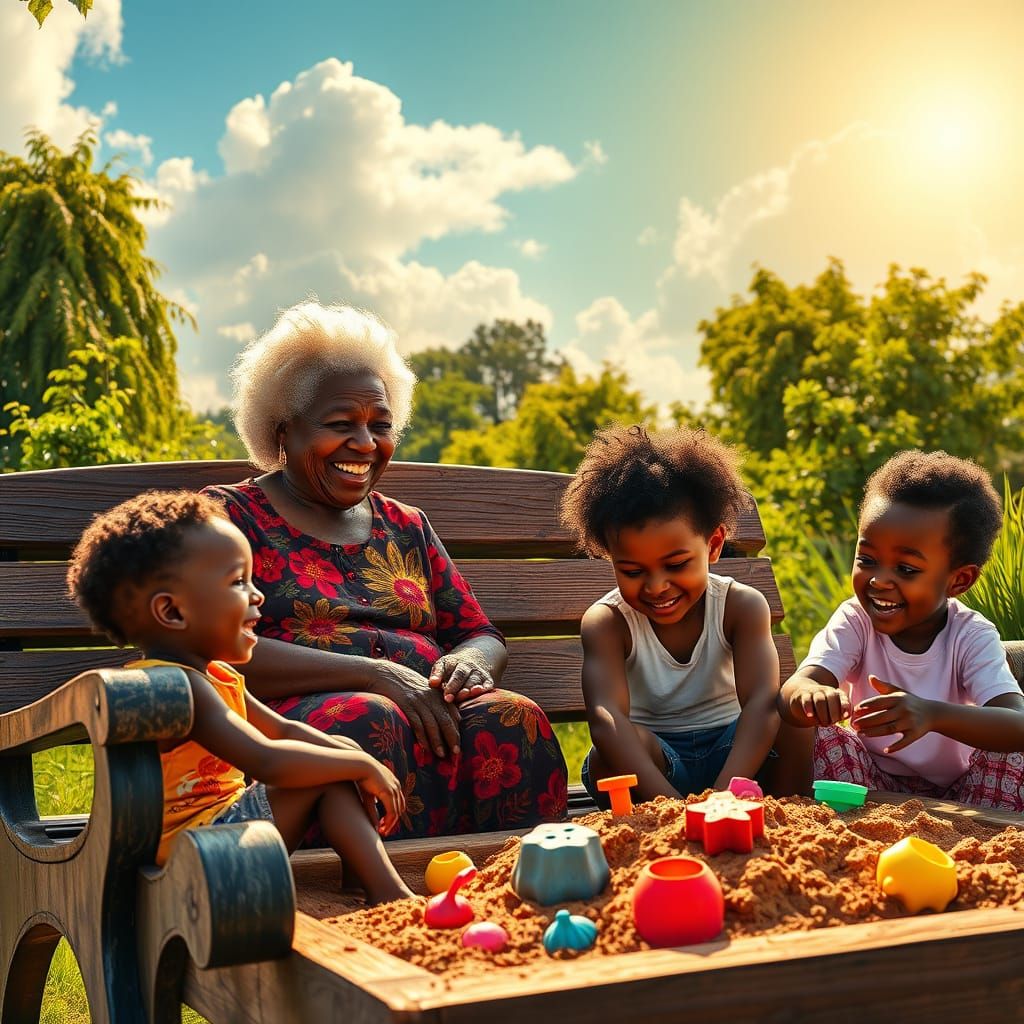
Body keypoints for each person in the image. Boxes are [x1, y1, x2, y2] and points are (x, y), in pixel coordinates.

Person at [203, 301, 567, 839]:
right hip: (297, 722)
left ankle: (522, 882)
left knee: (511, 718)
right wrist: (377, 674)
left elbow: (478, 633)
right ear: (283, 430)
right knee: (369, 718)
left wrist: (467, 663)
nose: (366, 444)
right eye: (340, 424)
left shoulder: (407, 524)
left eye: (380, 425)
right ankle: (370, 900)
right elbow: (211, 647)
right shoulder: (229, 517)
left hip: (425, 706)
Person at [66, 490, 414, 903]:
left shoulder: (215, 676)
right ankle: (390, 896)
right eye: (238, 581)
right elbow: (265, 759)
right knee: (336, 767)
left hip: (223, 837)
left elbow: (282, 728)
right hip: (193, 861)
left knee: (338, 753)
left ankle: (365, 886)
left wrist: (355, 755)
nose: (257, 594)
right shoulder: (172, 687)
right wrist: (358, 763)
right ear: (173, 612)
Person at [777, 450, 1024, 811]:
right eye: (867, 560)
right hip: (869, 786)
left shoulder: (970, 635)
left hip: (963, 794)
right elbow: (794, 690)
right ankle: (808, 820)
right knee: (822, 732)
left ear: (959, 580)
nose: (878, 580)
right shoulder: (855, 620)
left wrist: (932, 715)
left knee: (1012, 752)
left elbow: (1017, 721)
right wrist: (810, 694)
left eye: (906, 569)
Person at [560, 424, 785, 807]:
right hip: (657, 762)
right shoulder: (609, 622)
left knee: (791, 718)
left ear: (713, 545)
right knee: (606, 757)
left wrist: (724, 799)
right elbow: (606, 717)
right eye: (632, 571)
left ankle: (788, 817)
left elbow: (763, 702)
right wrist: (672, 810)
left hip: (734, 755)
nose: (656, 587)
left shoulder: (740, 606)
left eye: (677, 564)